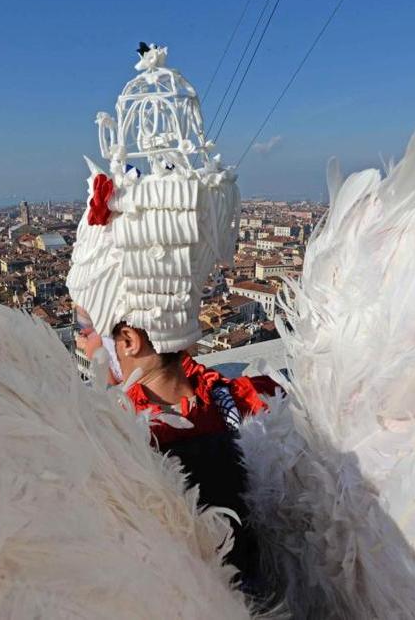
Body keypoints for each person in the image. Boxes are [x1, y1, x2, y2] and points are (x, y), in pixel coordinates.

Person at [66, 44, 277, 588]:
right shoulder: (244, 401)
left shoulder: (104, 441)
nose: (80, 344)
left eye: (85, 329)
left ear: (130, 341)